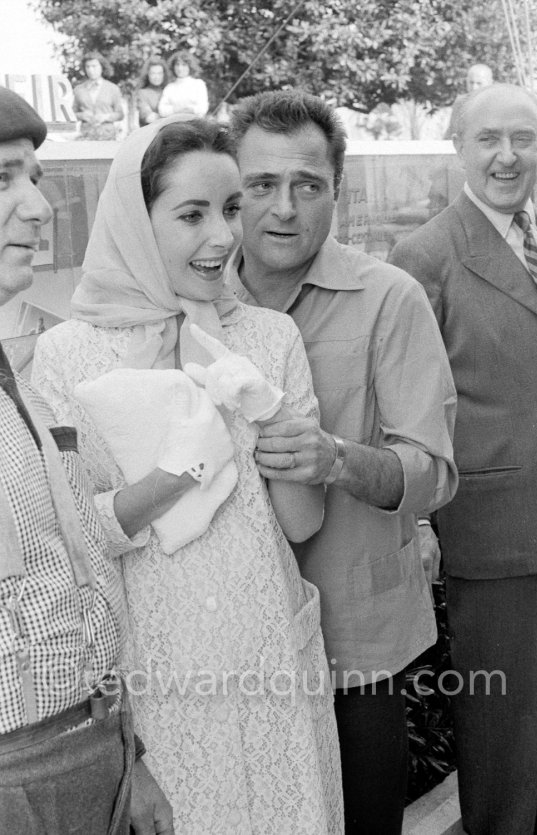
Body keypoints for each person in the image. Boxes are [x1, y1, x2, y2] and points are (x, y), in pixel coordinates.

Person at [32, 116, 344, 833]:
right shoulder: (65, 357)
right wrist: (176, 472)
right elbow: (79, 541)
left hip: (271, 659)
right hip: (159, 679)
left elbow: (300, 524)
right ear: (137, 221)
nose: (224, 236)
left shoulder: (269, 336)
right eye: (192, 214)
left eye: (231, 209)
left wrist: (291, 443)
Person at [228, 89, 458, 834]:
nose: (284, 208)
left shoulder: (388, 297)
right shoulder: (188, 301)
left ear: (338, 189)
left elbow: (431, 467)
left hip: (355, 642)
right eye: (261, 185)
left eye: (307, 185)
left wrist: (334, 458)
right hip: (225, 640)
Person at [0, 86, 173, 834]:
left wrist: (125, 755)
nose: (38, 208)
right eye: (2, 178)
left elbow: (72, 567)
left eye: (32, 177)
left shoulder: (21, 381)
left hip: (89, 750)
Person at [389, 83, 537, 835]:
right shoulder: (424, 256)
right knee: (507, 735)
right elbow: (410, 406)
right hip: (497, 532)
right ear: (458, 145)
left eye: (525, 137)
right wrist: (419, 519)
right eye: (489, 139)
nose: (508, 156)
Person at [73, 51, 124, 140]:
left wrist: (106, 117)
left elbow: (120, 114)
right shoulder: (79, 89)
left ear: (102, 67)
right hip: (86, 137)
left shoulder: (113, 88)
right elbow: (71, 114)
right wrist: (82, 115)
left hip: (107, 136)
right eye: (87, 67)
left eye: (94, 66)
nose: (91, 70)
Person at [443, 63, 493, 140]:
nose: (474, 87)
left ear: (490, 83)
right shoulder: (460, 104)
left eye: (479, 83)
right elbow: (451, 133)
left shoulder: (499, 104)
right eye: (471, 82)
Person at [157, 51, 208, 118]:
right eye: (177, 64)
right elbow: (162, 110)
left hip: (195, 123)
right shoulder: (170, 87)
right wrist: (176, 109)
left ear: (190, 66)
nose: (180, 68)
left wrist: (189, 109)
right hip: (174, 123)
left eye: (184, 65)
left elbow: (203, 108)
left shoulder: (198, 84)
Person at [136, 56, 169, 127]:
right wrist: (171, 116)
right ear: (147, 75)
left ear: (164, 75)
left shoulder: (169, 90)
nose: (156, 77)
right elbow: (148, 117)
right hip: (150, 134)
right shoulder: (142, 93)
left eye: (159, 73)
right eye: (153, 73)